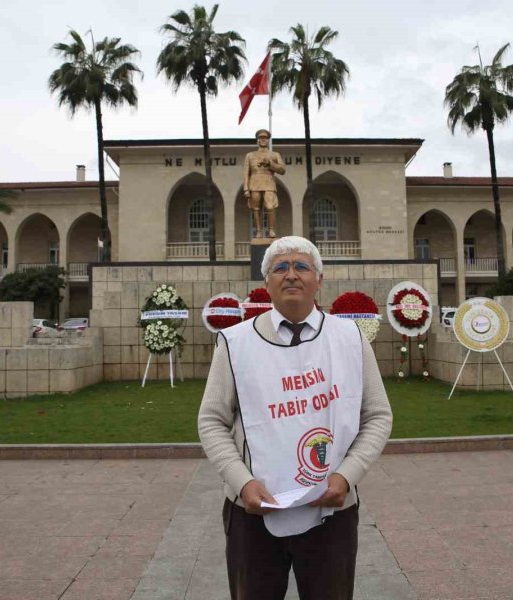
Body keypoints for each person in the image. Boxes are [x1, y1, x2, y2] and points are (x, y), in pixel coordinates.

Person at [198, 235, 392, 600]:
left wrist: (346, 476)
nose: (291, 275)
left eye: (301, 266)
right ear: (266, 282)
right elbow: (211, 421)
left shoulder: (350, 338)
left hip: (331, 510)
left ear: (319, 279)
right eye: (280, 268)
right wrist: (241, 482)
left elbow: (378, 416)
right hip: (252, 513)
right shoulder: (235, 343)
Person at [244, 129, 286, 238]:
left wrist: (270, 163)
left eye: (265, 138)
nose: (263, 140)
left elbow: (282, 170)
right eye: (260, 138)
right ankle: (259, 231)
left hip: (269, 183)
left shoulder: (274, 155)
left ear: (268, 141)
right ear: (257, 141)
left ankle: (271, 230)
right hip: (254, 184)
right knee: (256, 208)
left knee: (270, 207)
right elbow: (246, 173)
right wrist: (246, 188)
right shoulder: (250, 155)